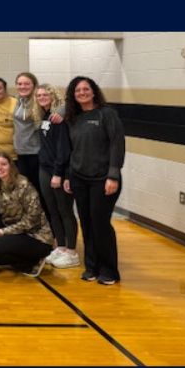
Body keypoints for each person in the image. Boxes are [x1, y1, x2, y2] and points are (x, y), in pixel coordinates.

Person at [63, 76, 125, 285]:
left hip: (103, 180)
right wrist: (69, 176)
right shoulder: (73, 117)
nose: (82, 93)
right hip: (79, 179)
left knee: (100, 224)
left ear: (93, 91)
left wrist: (113, 175)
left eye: (85, 89)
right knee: (87, 223)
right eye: (77, 90)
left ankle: (109, 270)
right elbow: (72, 150)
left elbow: (117, 144)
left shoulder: (107, 114)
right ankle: (92, 267)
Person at [0, 153, 53, 277]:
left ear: (11, 166)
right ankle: (15, 258)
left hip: (36, 237)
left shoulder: (24, 185)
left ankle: (32, 261)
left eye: (4, 164)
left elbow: (32, 219)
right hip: (16, 232)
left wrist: (5, 231)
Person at [36, 84, 79, 269]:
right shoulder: (45, 116)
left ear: (53, 96)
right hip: (44, 169)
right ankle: (60, 247)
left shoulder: (58, 118)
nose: (41, 97)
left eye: (45, 94)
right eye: (38, 95)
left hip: (57, 171)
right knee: (53, 210)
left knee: (65, 211)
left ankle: (72, 251)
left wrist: (58, 173)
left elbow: (63, 149)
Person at [12, 72, 43, 199]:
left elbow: (60, 105)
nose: (22, 86)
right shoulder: (19, 100)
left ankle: (46, 218)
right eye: (19, 84)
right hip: (21, 152)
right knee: (26, 191)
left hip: (36, 153)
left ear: (34, 85)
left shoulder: (39, 100)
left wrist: (60, 113)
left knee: (39, 191)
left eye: (26, 84)